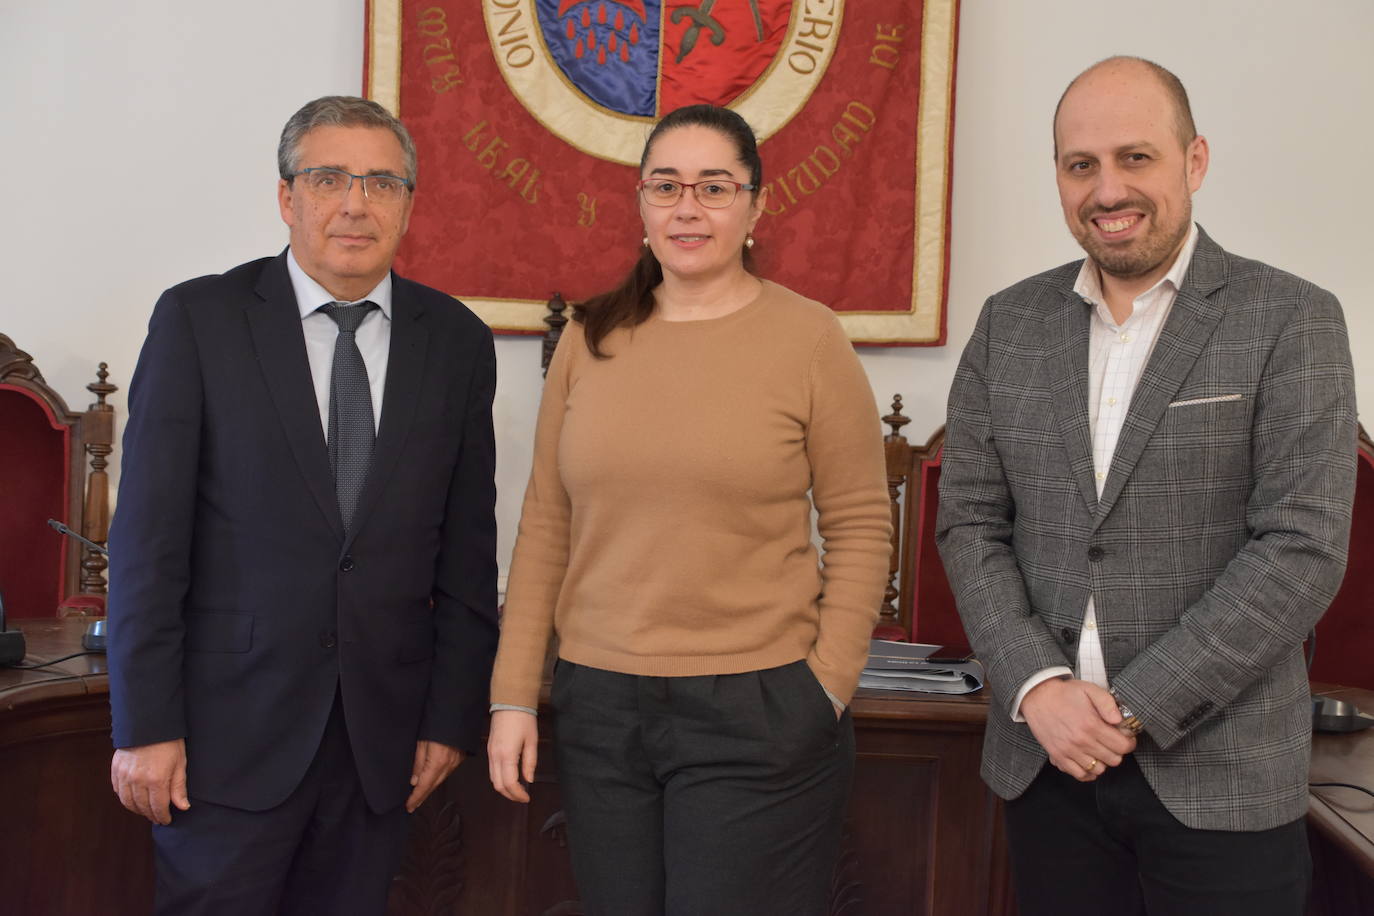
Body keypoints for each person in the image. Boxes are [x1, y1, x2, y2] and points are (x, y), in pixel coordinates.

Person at [936, 56, 1358, 915]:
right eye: (1080, 165)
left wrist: (1128, 710)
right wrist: (1039, 690)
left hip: (1223, 777)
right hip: (1045, 767)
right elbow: (970, 523)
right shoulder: (1008, 324)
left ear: (1194, 162)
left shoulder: (1291, 319)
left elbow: (1301, 549)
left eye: (1136, 158)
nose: (1107, 189)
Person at [485, 104, 891, 915]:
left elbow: (860, 523)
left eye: (714, 187)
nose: (687, 207)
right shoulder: (589, 337)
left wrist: (828, 685)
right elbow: (545, 525)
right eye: (665, 186)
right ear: (639, 204)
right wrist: (514, 695)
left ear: (755, 205)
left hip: (759, 709)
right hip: (600, 706)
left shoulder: (810, 340)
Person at [106, 95, 499, 915]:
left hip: (380, 747)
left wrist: (450, 715)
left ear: (407, 204)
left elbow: (467, 548)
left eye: (381, 183)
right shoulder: (200, 321)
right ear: (287, 197)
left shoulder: (455, 339)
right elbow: (147, 545)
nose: (356, 203)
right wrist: (143, 724)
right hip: (222, 742)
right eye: (329, 178)